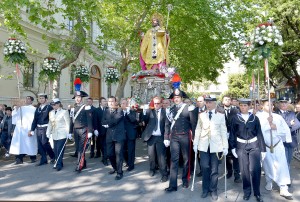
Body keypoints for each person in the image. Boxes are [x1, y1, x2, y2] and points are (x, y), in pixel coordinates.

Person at [229, 98, 266, 202]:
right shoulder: (235, 118)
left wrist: (263, 149)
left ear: (249, 106)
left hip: (254, 146)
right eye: (241, 105)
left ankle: (257, 193)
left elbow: (259, 134)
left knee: (255, 170)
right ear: (239, 106)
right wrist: (232, 148)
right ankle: (247, 192)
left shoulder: (254, 118)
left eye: (245, 105)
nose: (243, 107)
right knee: (244, 171)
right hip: (241, 146)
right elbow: (232, 134)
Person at [256, 99, 293, 200]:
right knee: (268, 165)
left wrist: (275, 127)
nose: (271, 107)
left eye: (272, 105)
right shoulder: (258, 117)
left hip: (277, 145)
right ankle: (269, 181)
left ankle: (283, 187)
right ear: (263, 106)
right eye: (268, 105)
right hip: (265, 146)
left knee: (282, 166)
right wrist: (268, 125)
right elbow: (257, 131)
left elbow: (285, 130)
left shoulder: (278, 117)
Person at [193, 95, 228, 201]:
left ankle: (213, 190)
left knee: (214, 170)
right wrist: (195, 143)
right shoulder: (201, 115)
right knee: (204, 167)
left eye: (210, 102)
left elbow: (223, 131)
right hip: (203, 145)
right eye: (207, 102)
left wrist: (225, 146)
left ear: (215, 103)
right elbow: (198, 129)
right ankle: (205, 189)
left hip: (216, 146)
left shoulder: (221, 115)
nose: (208, 104)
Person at [164, 89, 197, 192]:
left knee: (186, 159)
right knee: (174, 160)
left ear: (181, 98)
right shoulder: (170, 110)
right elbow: (167, 124)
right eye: (175, 98)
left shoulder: (189, 108)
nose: (176, 99)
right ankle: (172, 185)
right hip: (174, 137)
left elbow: (193, 124)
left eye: (178, 97)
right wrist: (166, 137)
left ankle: (185, 180)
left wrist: (194, 137)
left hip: (185, 136)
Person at [142, 96, 169, 182]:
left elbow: (167, 126)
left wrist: (166, 137)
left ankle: (164, 174)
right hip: (151, 137)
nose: (156, 105)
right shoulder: (150, 111)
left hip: (160, 137)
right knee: (151, 155)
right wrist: (144, 111)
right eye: (155, 103)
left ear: (161, 104)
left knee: (161, 157)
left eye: (158, 103)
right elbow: (144, 120)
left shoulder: (165, 112)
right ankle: (152, 169)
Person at [218, 95, 241, 183]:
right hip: (223, 135)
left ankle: (237, 175)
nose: (227, 101)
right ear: (222, 101)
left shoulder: (236, 110)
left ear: (231, 101)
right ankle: (229, 172)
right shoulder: (219, 111)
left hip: (234, 135)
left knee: (235, 155)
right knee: (227, 155)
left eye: (229, 100)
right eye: (225, 100)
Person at [102, 96, 125, 180]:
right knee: (110, 154)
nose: (110, 103)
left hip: (119, 136)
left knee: (118, 154)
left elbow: (116, 119)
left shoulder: (119, 110)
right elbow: (103, 121)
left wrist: (108, 124)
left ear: (115, 102)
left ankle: (119, 172)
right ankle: (115, 168)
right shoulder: (106, 111)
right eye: (109, 101)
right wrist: (106, 123)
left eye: (112, 101)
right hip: (109, 136)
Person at [69, 90, 93, 173]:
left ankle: (79, 165)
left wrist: (90, 131)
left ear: (82, 98)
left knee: (81, 149)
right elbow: (71, 121)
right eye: (76, 97)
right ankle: (84, 163)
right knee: (77, 148)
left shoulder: (86, 107)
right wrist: (70, 132)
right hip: (76, 130)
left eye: (79, 97)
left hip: (84, 130)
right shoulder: (73, 108)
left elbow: (89, 120)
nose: (77, 99)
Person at [29, 93, 55, 166]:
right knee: (40, 144)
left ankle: (52, 156)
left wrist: (52, 129)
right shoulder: (38, 108)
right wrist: (32, 130)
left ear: (46, 99)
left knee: (45, 143)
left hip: (45, 127)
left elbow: (52, 119)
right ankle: (43, 159)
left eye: (42, 98)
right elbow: (35, 119)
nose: (41, 99)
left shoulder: (49, 107)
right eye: (40, 98)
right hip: (38, 127)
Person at [9, 96, 37, 164]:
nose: (27, 100)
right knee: (19, 144)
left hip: (29, 128)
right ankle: (19, 159)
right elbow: (14, 115)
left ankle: (33, 157)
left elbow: (35, 119)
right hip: (20, 129)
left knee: (30, 143)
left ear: (31, 101)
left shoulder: (34, 109)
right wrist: (18, 107)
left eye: (28, 99)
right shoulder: (20, 108)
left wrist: (32, 129)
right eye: (26, 99)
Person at [274, 97, 300, 170]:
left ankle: (286, 177)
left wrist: (285, 128)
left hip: (291, 140)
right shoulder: (275, 114)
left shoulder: (291, 113)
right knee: (283, 161)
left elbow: (297, 124)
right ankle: (284, 178)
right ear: (278, 103)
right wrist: (289, 124)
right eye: (282, 102)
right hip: (280, 141)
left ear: (288, 104)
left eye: (285, 102)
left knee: (288, 160)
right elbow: (276, 127)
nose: (284, 104)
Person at [46, 98, 71, 171]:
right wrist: (48, 132)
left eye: (54, 104)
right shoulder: (51, 112)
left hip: (62, 133)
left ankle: (59, 164)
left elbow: (67, 123)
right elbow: (50, 123)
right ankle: (58, 162)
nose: (53, 106)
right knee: (56, 150)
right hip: (54, 133)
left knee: (60, 149)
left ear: (58, 104)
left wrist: (68, 133)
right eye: (52, 105)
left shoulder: (64, 112)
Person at [120, 98, 137, 171]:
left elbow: (133, 120)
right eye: (123, 103)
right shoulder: (119, 112)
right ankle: (127, 161)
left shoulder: (132, 111)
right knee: (123, 150)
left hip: (130, 134)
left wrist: (128, 112)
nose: (125, 105)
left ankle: (131, 165)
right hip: (122, 134)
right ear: (121, 105)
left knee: (131, 150)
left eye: (126, 103)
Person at [97, 97, 108, 166]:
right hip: (100, 131)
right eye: (104, 101)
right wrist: (95, 129)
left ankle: (105, 159)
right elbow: (95, 121)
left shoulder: (108, 109)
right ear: (100, 103)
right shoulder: (97, 110)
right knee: (101, 145)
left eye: (105, 101)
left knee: (106, 145)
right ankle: (104, 157)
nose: (105, 102)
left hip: (108, 131)